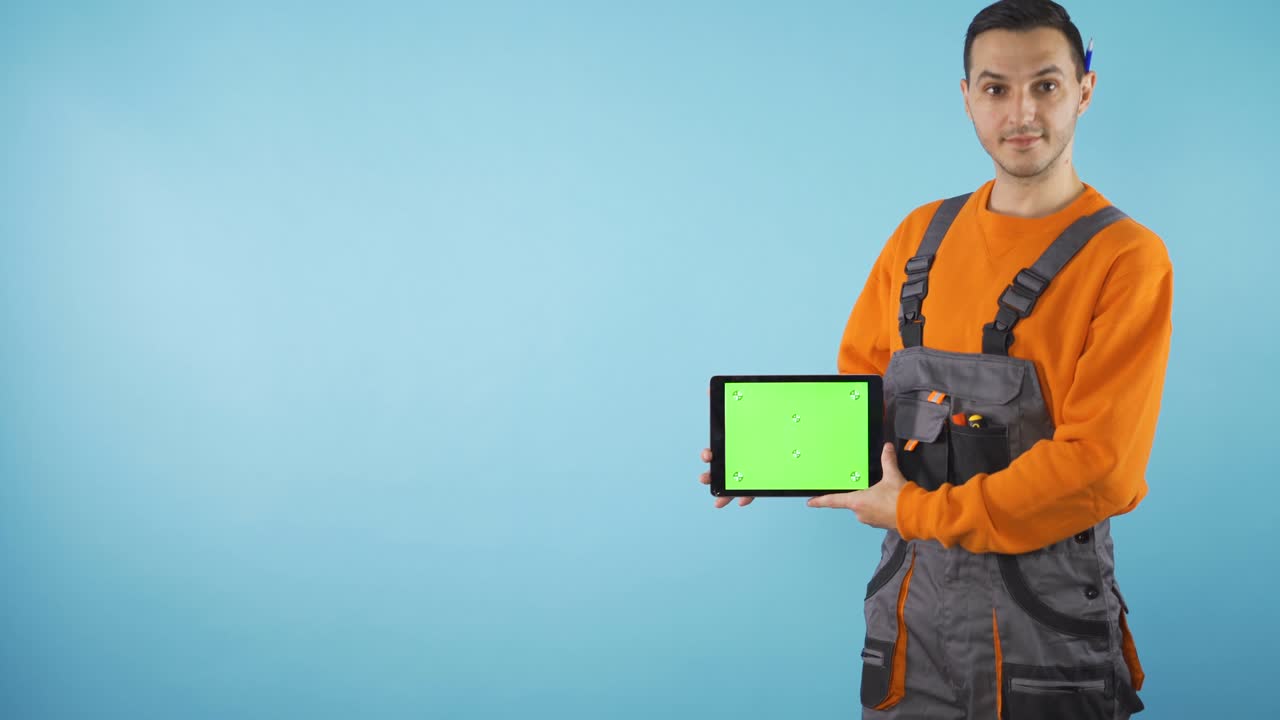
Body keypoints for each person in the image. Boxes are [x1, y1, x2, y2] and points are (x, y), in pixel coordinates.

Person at [698, 1, 1171, 717]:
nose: (1021, 112)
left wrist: (917, 511)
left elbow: (1099, 468)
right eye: (995, 88)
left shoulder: (1125, 259)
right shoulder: (920, 236)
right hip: (909, 622)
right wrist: (780, 455)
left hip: (1043, 637)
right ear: (966, 98)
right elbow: (867, 395)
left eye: (1045, 85)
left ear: (1085, 89)